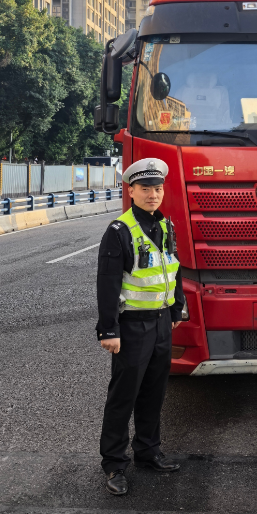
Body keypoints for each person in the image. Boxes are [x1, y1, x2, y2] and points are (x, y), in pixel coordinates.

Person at [96, 157, 185, 496]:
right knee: (124, 396)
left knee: (153, 392)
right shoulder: (119, 231)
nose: (153, 194)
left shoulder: (165, 225)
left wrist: (176, 307)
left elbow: (173, 268)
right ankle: (114, 464)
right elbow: (107, 283)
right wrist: (109, 330)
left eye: (157, 188)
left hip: (161, 322)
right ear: (131, 191)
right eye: (145, 188)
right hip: (132, 326)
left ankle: (148, 451)